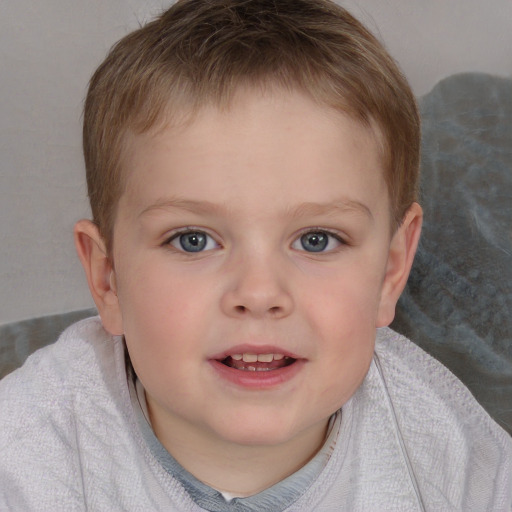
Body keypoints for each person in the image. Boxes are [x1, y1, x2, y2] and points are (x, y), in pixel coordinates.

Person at [1, 0, 510, 509]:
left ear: (390, 271)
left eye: (317, 240)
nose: (259, 293)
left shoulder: (453, 460)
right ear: (107, 276)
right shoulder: (27, 459)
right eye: (192, 240)